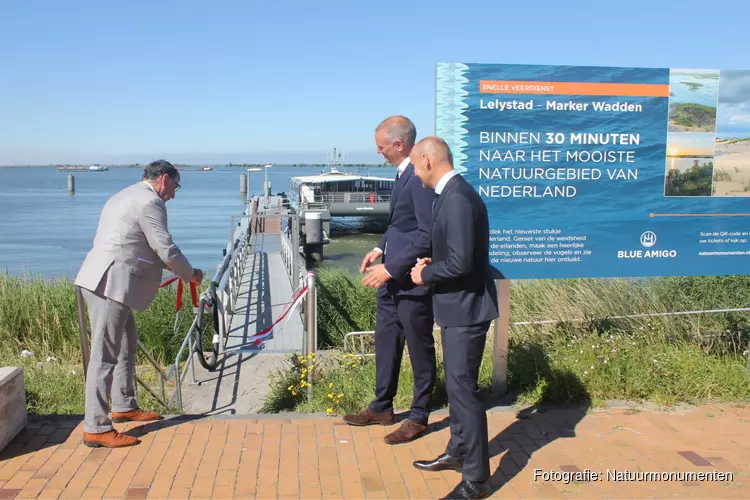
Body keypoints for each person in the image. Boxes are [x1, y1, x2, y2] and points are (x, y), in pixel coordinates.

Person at [74, 160, 203, 448]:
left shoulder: (125, 194)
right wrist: (190, 274)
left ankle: (123, 405)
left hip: (105, 278)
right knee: (104, 355)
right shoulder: (150, 203)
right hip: (110, 283)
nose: (174, 194)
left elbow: (132, 241)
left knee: (125, 344)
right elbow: (164, 246)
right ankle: (95, 426)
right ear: (165, 179)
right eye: (175, 187)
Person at [409, 137, 498, 499]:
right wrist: (435, 261)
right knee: (459, 388)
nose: (416, 175)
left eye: (416, 167)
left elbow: (461, 263)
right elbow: (458, 253)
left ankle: (476, 480)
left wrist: (425, 275)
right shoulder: (453, 193)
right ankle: (458, 451)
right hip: (456, 308)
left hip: (465, 309)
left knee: (464, 393)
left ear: (428, 160)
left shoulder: (458, 197)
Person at [342, 116, 438, 445]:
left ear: (399, 144)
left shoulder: (420, 178)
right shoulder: (401, 175)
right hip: (390, 281)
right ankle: (382, 406)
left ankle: (419, 416)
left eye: (381, 147)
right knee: (386, 344)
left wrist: (391, 267)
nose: (379, 153)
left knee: (419, 349)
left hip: (410, 281)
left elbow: (426, 235)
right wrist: (377, 247)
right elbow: (400, 226)